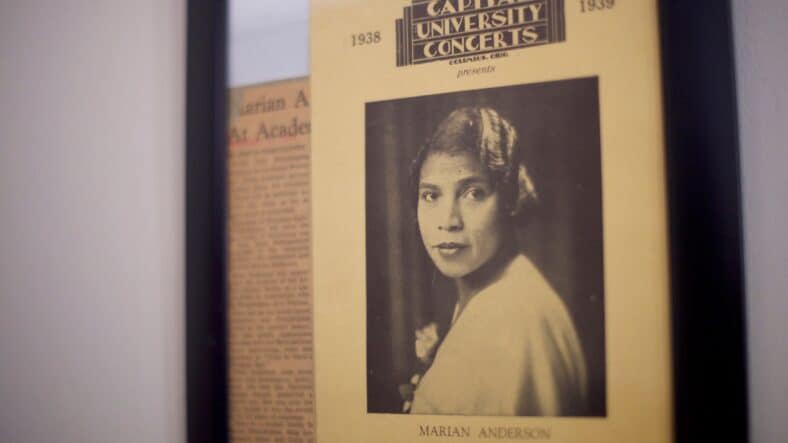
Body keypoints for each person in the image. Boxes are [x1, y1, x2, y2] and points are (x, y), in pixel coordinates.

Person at [408, 107, 588, 416]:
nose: (448, 221)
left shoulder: (510, 318)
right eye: (431, 195)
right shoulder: (507, 293)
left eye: (473, 193)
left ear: (507, 199)